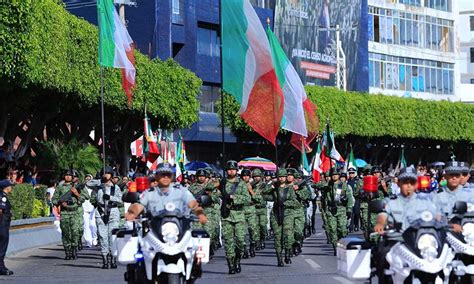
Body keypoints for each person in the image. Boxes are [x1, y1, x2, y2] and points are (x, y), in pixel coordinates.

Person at [218, 160, 250, 274]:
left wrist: (233, 197)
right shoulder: (222, 183)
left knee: (241, 241)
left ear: (236, 171)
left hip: (239, 216)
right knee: (228, 241)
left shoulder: (241, 183)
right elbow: (214, 194)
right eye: (229, 169)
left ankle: (237, 259)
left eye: (233, 169)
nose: (231, 171)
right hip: (226, 215)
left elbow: (247, 199)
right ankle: (231, 265)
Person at [263, 168, 299, 266]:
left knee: (288, 235)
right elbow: (264, 193)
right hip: (275, 213)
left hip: (287, 213)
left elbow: (294, 202)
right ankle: (279, 258)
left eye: (283, 177)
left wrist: (284, 203)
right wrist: (272, 185)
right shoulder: (274, 187)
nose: (282, 179)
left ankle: (287, 253)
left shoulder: (289, 188)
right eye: (280, 177)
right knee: (277, 237)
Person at [91, 166, 123, 269]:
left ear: (111, 175)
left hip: (113, 212)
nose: (106, 175)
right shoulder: (98, 186)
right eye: (104, 173)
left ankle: (113, 259)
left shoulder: (115, 188)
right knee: (102, 236)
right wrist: (101, 181)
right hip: (100, 213)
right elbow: (88, 183)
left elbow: (120, 200)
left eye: (108, 173)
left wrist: (110, 197)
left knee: (112, 236)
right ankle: (105, 260)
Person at [52, 170, 86, 260]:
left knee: (75, 232)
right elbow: (54, 199)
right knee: (66, 233)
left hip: (75, 212)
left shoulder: (76, 186)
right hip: (64, 213)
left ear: (72, 177)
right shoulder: (60, 187)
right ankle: (67, 251)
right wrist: (60, 202)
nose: (67, 177)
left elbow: (83, 199)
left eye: (69, 175)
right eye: (66, 175)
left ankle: (74, 249)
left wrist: (76, 194)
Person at [321, 168, 354, 255]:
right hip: (331, 210)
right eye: (332, 175)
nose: (334, 176)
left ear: (339, 175)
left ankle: (340, 240)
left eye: (336, 174)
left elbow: (349, 197)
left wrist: (349, 209)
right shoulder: (328, 185)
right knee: (332, 229)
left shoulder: (344, 185)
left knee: (343, 230)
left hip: (341, 209)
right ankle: (335, 247)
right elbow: (317, 185)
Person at [188, 168, 219, 257]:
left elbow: (217, 198)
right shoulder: (192, 187)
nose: (201, 178)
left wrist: (210, 196)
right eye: (199, 176)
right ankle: (199, 252)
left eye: (203, 176)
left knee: (209, 232)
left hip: (208, 212)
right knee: (196, 233)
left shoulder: (210, 187)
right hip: (197, 212)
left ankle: (209, 247)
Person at [433, 161, 467, 232]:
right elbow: (435, 216)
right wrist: (449, 225)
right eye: (451, 175)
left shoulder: (468, 194)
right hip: (446, 231)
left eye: (457, 175)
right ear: (445, 176)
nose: (454, 178)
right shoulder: (437, 195)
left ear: (461, 176)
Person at [289, 169, 311, 255]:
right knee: (289, 231)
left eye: (298, 178)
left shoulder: (302, 186)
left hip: (299, 210)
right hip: (288, 211)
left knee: (298, 230)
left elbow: (307, 196)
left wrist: (298, 190)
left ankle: (298, 242)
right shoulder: (285, 185)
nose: (296, 180)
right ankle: (290, 247)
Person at [240, 168, 258, 259]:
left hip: (251, 210)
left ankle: (252, 245)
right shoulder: (238, 186)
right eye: (243, 176)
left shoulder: (254, 186)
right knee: (241, 232)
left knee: (252, 229)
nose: (245, 178)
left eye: (247, 176)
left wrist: (251, 191)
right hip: (241, 211)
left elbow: (258, 199)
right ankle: (244, 250)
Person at [251, 168, 268, 250]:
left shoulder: (264, 185)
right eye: (254, 176)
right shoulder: (250, 186)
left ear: (261, 177)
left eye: (258, 176)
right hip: (254, 208)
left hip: (262, 209)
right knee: (255, 227)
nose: (256, 178)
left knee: (263, 226)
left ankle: (262, 239)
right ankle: (257, 241)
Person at [0, 179, 14, 275]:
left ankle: (2, 266)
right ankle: (1, 268)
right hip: (2, 225)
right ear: (7, 187)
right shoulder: (3, 197)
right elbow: (0, 210)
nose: (11, 188)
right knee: (2, 247)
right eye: (10, 186)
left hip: (3, 225)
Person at [347, 168, 360, 232]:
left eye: (352, 173)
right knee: (351, 213)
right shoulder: (347, 181)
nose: (351, 174)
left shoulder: (358, 181)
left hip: (356, 198)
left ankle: (356, 225)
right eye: (350, 173)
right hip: (350, 199)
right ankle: (351, 227)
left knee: (357, 213)